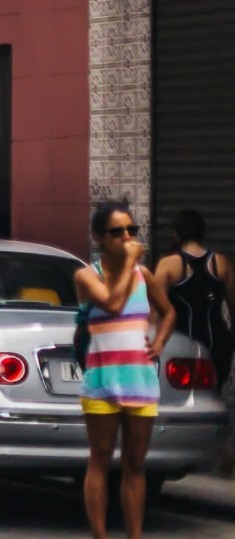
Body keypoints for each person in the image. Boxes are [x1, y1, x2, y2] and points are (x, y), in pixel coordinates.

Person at [76, 202, 175, 539]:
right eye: (117, 233)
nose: (127, 238)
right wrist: (131, 260)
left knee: (135, 464)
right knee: (100, 458)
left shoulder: (144, 276)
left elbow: (169, 311)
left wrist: (159, 340)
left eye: (132, 231)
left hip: (140, 381)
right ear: (99, 237)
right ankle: (100, 534)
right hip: (103, 381)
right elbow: (113, 304)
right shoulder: (88, 275)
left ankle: (135, 535)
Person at [154, 210, 231, 386]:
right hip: (217, 344)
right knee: (212, 393)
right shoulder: (222, 263)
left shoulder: (167, 265)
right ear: (203, 233)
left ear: (176, 233)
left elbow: (154, 312)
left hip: (181, 345)